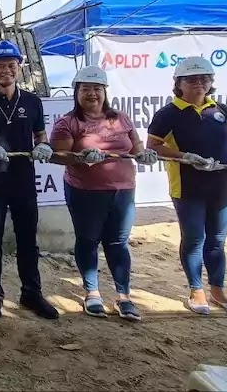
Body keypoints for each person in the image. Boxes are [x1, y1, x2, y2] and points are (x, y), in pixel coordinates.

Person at [146, 56, 227, 316]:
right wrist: (185, 157)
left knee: (217, 240)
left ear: (211, 82)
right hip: (188, 187)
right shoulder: (167, 114)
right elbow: (154, 147)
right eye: (192, 79)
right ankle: (196, 290)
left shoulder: (221, 110)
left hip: (223, 184)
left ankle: (218, 291)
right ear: (179, 83)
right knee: (195, 239)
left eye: (205, 79)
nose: (199, 83)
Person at [49, 66, 159, 321]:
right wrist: (80, 156)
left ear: (105, 92)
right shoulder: (68, 123)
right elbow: (58, 156)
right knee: (88, 241)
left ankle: (124, 297)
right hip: (85, 192)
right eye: (85, 89)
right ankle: (92, 293)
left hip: (123, 190)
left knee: (118, 243)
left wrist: (144, 154)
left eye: (97, 89)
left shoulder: (121, 118)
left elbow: (136, 145)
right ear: (76, 92)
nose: (92, 94)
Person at [0, 40, 59, 320]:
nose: (6, 70)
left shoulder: (32, 101)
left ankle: (31, 293)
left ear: (19, 67)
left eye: (11, 65)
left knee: (28, 238)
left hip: (23, 179)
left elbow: (40, 134)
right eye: (0, 65)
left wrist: (44, 145)